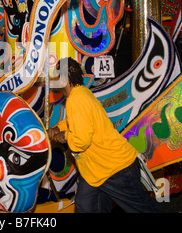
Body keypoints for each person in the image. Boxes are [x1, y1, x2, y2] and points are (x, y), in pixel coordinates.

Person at [48, 57, 161, 213]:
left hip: (115, 168)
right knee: (86, 206)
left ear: (65, 79)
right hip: (96, 170)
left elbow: (81, 141)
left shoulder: (75, 100)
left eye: (56, 74)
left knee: (142, 209)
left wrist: (64, 136)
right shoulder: (81, 93)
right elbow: (78, 121)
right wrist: (57, 127)